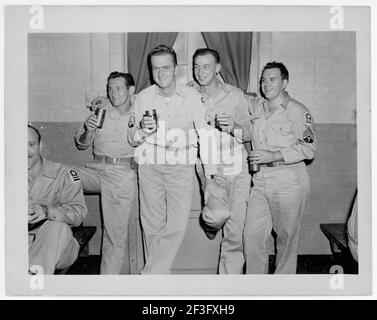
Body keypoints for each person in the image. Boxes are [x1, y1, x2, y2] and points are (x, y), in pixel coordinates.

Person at [128, 44, 218, 274]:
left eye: (166, 68)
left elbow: (206, 137)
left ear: (175, 68)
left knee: (177, 226)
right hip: (150, 165)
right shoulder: (142, 98)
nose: (160, 73)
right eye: (155, 69)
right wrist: (141, 131)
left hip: (181, 166)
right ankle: (159, 282)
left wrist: (210, 177)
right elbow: (132, 138)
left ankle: (150, 275)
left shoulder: (193, 97)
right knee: (151, 226)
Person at [243, 61, 317, 274]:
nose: (266, 84)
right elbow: (249, 131)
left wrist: (274, 155)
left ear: (285, 82)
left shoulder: (298, 111)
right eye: (263, 80)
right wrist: (235, 128)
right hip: (260, 180)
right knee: (252, 237)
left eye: (272, 79)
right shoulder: (258, 107)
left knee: (285, 242)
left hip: (288, 180)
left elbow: (308, 149)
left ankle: (283, 290)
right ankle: (256, 289)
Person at [190, 48, 251, 274]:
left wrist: (235, 127)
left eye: (206, 66)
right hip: (209, 167)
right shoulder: (187, 93)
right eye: (196, 66)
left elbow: (250, 131)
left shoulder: (235, 95)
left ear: (218, 68)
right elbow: (157, 96)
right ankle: (210, 225)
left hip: (239, 166)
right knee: (217, 215)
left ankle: (229, 288)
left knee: (236, 234)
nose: (200, 71)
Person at [74, 71, 137, 274]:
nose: (113, 93)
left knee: (113, 235)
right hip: (95, 170)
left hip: (121, 175)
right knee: (61, 174)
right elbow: (82, 144)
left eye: (118, 88)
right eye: (110, 88)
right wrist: (89, 130)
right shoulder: (101, 110)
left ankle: (107, 286)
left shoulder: (140, 110)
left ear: (131, 90)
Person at [28, 125, 87, 275]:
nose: (25, 152)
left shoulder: (65, 174)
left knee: (55, 226)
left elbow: (79, 213)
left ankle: (34, 285)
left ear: (40, 146)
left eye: (31, 145)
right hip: (19, 246)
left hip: (59, 247)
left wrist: (48, 212)